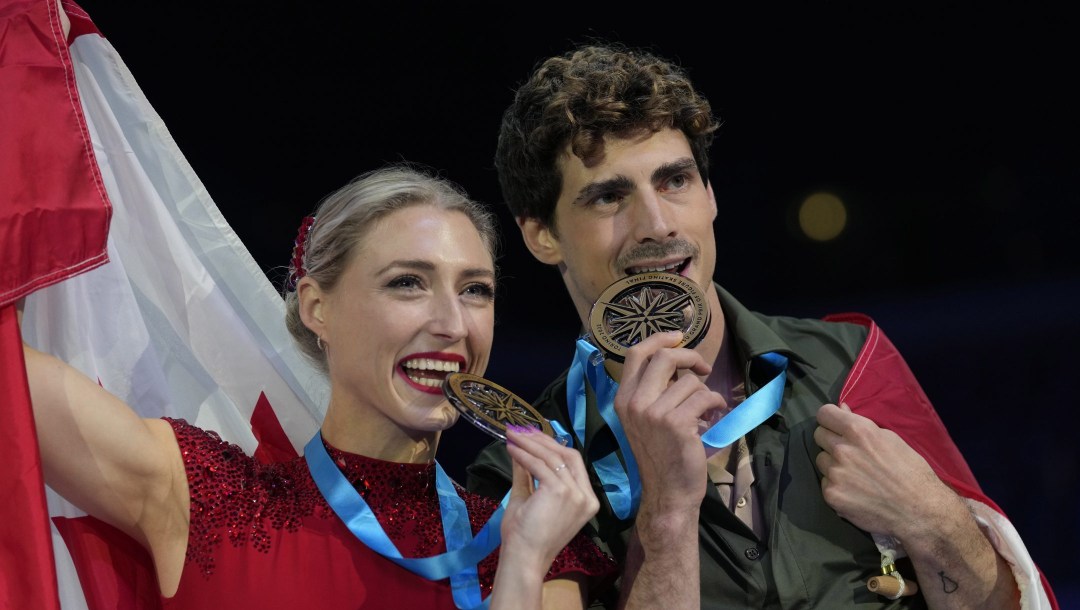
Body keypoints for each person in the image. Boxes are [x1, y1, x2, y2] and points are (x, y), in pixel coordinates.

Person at [465, 42, 1057, 609]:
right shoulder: (528, 471)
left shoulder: (849, 364)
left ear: (711, 195)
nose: (657, 224)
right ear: (541, 236)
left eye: (675, 181)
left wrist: (932, 519)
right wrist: (666, 514)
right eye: (609, 198)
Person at [22, 163, 617, 608]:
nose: (452, 324)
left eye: (475, 290)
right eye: (408, 283)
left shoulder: (532, 542)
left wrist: (520, 566)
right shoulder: (200, 496)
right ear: (317, 307)